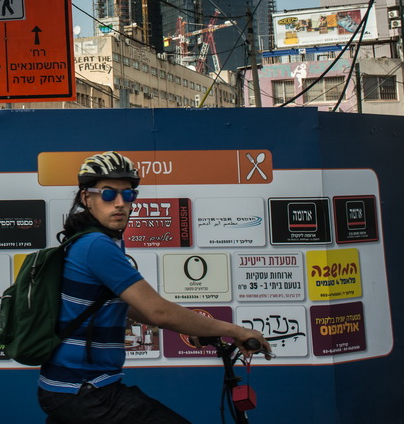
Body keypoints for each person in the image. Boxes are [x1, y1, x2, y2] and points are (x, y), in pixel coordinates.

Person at [38, 151, 271, 424]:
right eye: (108, 194)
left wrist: (194, 328)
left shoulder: (96, 240)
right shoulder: (96, 246)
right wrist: (236, 331)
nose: (120, 203)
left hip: (71, 387)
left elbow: (134, 309)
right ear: (86, 198)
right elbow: (158, 311)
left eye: (128, 195)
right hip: (85, 390)